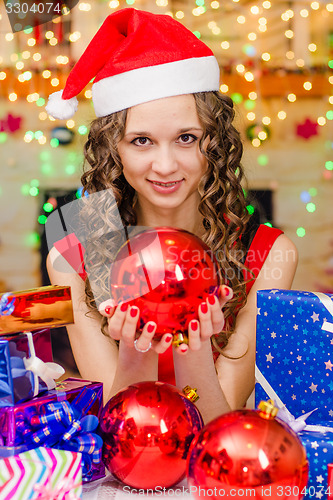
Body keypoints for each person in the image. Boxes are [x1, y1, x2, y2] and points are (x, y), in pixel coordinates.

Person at [45, 8, 298, 423]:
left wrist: (194, 351)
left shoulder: (268, 255)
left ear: (214, 142)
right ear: (114, 150)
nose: (165, 166)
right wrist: (135, 350)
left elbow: (220, 425)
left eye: (186, 138)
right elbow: (119, 427)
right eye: (141, 140)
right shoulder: (71, 255)